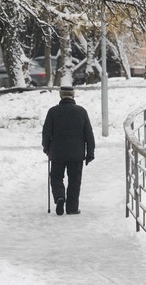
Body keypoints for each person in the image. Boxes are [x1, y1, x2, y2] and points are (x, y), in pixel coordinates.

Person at [42, 86, 95, 215]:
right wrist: (90, 153)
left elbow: (46, 133)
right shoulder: (81, 112)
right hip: (76, 154)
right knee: (74, 180)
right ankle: (72, 208)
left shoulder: (53, 112)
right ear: (73, 96)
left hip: (57, 153)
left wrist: (46, 148)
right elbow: (89, 133)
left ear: (61, 96)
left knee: (56, 177)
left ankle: (60, 197)